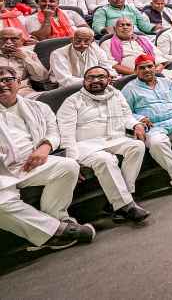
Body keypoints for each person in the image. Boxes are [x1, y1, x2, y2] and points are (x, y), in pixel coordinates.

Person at [0, 67, 96, 251]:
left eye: (7, 80)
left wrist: (45, 147)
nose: (2, 85)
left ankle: (55, 221)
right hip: (2, 172)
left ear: (18, 82)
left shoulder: (39, 107)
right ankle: (60, 230)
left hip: (30, 164)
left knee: (68, 166)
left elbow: (53, 132)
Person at [56, 66, 150, 223]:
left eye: (100, 77)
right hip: (85, 144)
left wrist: (136, 125)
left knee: (137, 146)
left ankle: (121, 199)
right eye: (90, 78)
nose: (95, 81)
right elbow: (66, 134)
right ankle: (126, 206)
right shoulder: (72, 101)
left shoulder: (116, 95)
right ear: (84, 81)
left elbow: (127, 116)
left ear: (109, 80)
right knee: (106, 159)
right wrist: (72, 160)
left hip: (113, 137)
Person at [120, 56, 172, 193]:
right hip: (153, 125)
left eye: (149, 66)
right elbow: (125, 112)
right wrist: (140, 118)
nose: (147, 70)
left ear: (155, 67)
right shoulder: (129, 89)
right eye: (142, 68)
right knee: (157, 143)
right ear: (135, 71)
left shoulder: (167, 82)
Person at [49, 27, 118, 87]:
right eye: (78, 40)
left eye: (86, 41)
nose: (82, 44)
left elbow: (107, 68)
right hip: (69, 89)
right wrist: (95, 81)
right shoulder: (58, 54)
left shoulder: (97, 51)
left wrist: (111, 76)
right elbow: (65, 80)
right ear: (72, 39)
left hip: (97, 85)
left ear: (92, 41)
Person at [100, 17, 169, 76]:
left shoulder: (144, 39)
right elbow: (112, 65)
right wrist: (137, 73)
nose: (125, 27)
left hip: (154, 73)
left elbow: (160, 58)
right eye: (121, 25)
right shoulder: (107, 43)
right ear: (115, 29)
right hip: (128, 76)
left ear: (133, 28)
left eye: (128, 25)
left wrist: (157, 70)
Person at [0, 28, 49, 97]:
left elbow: (42, 77)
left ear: (21, 41)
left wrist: (25, 58)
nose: (9, 42)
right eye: (4, 39)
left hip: (24, 92)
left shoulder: (29, 54)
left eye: (14, 39)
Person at [22, 0, 87, 40]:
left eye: (51, 1)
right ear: (38, 3)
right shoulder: (31, 18)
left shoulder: (70, 13)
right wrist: (47, 18)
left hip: (76, 41)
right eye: (43, 1)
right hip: (51, 46)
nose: (47, 4)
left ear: (58, 3)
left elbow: (85, 28)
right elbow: (41, 37)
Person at [92, 0, 157, 35]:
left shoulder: (132, 9)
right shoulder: (102, 10)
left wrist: (154, 28)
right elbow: (97, 26)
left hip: (136, 34)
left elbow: (143, 24)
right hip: (115, 36)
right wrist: (104, 30)